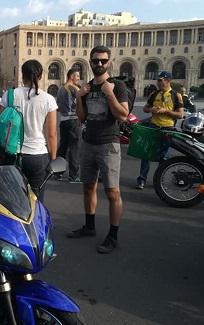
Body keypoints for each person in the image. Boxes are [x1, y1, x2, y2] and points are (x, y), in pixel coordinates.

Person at [69, 45, 129, 254]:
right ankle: (89, 226)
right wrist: (79, 97)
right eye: (96, 61)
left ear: (109, 62)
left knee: (112, 191)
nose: (99, 64)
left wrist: (109, 94)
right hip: (88, 143)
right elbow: (82, 117)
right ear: (90, 62)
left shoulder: (118, 85)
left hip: (109, 144)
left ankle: (113, 235)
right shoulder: (86, 88)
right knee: (88, 187)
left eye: (103, 61)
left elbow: (123, 115)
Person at [0, 59, 57, 202]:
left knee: (12, 199)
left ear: (22, 75)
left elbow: (1, 122)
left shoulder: (9, 95)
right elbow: (51, 134)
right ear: (40, 76)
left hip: (11, 154)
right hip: (37, 156)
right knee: (36, 201)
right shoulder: (48, 99)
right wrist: (53, 159)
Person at [135, 71, 184, 189]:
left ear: (168, 81)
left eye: (160, 80)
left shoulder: (176, 95)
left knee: (163, 156)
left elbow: (180, 115)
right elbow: (145, 108)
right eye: (158, 80)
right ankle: (142, 180)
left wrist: (165, 111)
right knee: (146, 154)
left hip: (168, 128)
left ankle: (159, 181)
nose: (158, 83)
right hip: (153, 126)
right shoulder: (154, 93)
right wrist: (152, 109)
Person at [56, 68, 82, 183]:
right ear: (71, 76)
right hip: (74, 120)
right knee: (74, 148)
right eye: (77, 76)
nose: (78, 78)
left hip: (63, 120)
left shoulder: (61, 88)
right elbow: (80, 104)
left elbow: (58, 105)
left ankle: (58, 172)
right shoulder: (74, 88)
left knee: (63, 147)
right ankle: (73, 175)